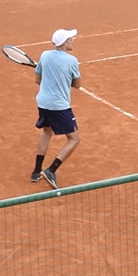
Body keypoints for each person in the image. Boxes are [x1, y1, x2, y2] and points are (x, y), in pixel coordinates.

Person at [30, 28, 83, 189]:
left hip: (42, 102)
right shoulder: (72, 60)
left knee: (47, 132)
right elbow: (77, 85)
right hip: (59, 106)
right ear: (64, 42)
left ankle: (36, 171)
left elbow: (38, 79)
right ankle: (51, 170)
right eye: (70, 39)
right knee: (74, 138)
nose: (72, 40)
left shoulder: (45, 56)